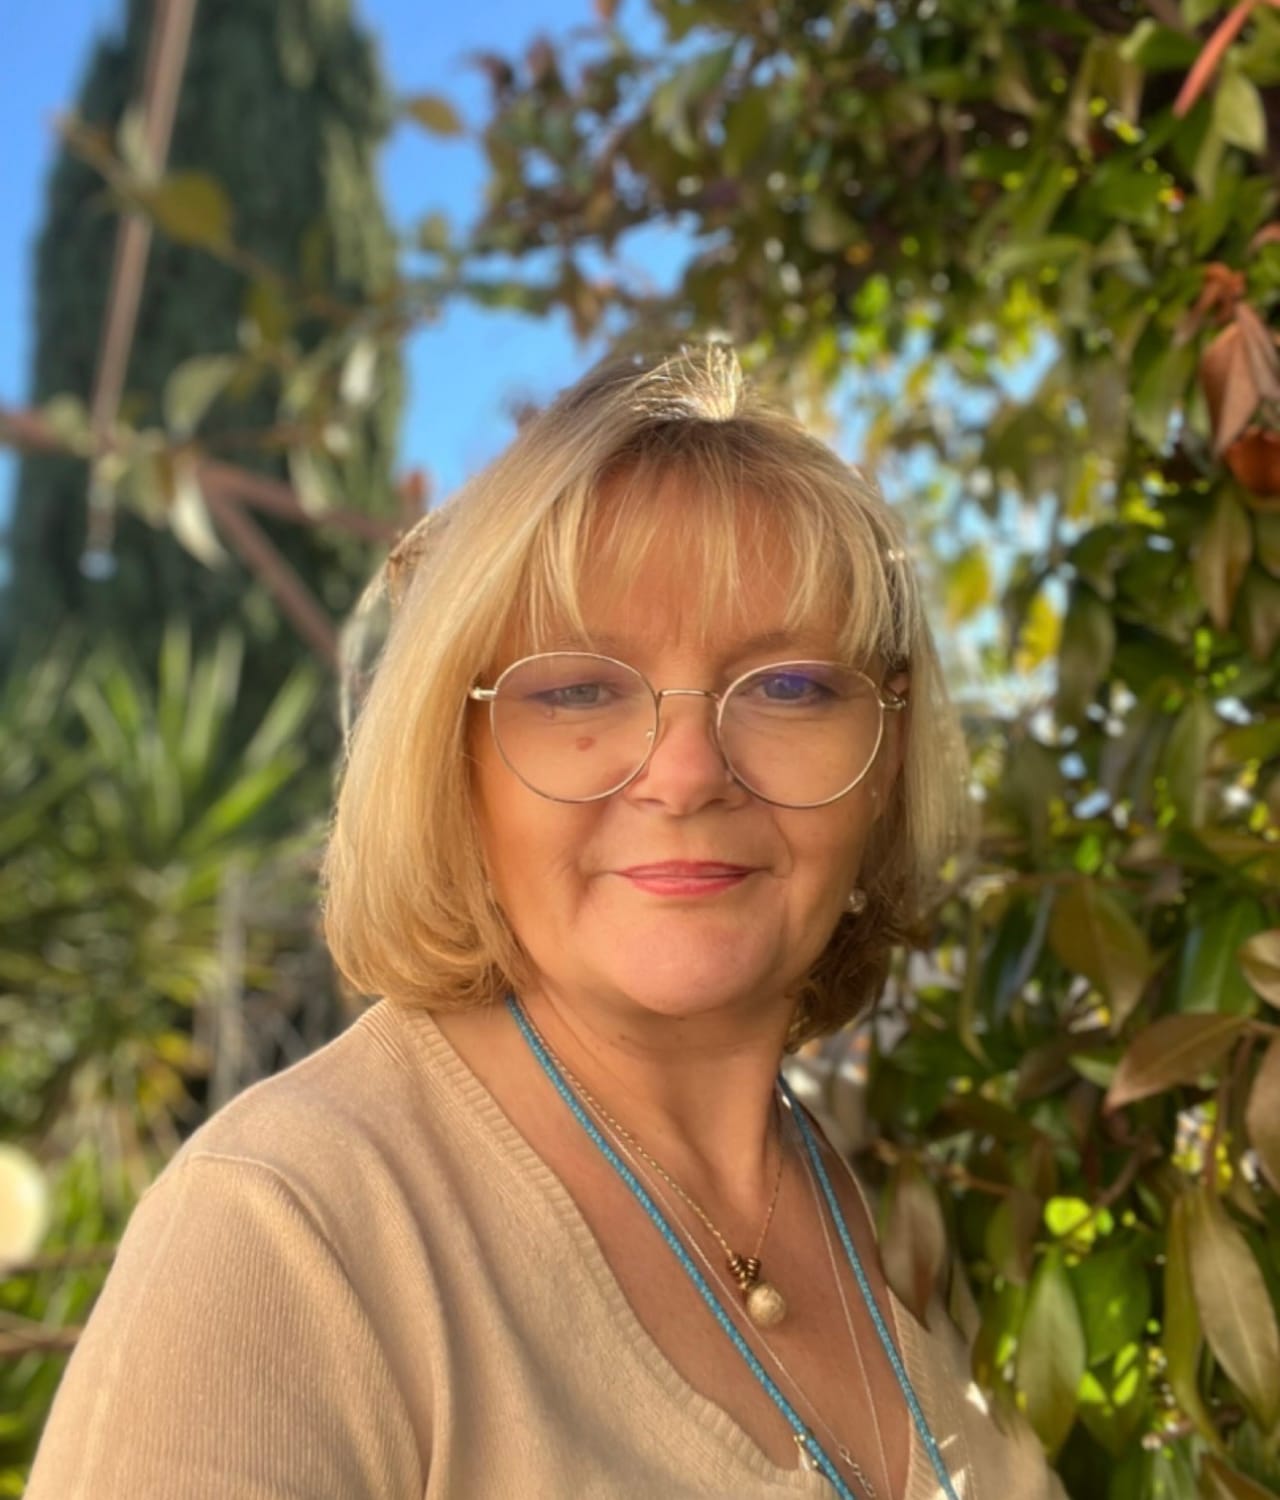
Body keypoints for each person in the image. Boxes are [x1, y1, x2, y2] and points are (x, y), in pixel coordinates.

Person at [27, 347, 1063, 1499]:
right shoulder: (287, 1232)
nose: (685, 773)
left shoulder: (893, 1203)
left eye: (788, 687)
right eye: (576, 688)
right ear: (454, 759)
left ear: (886, 757)